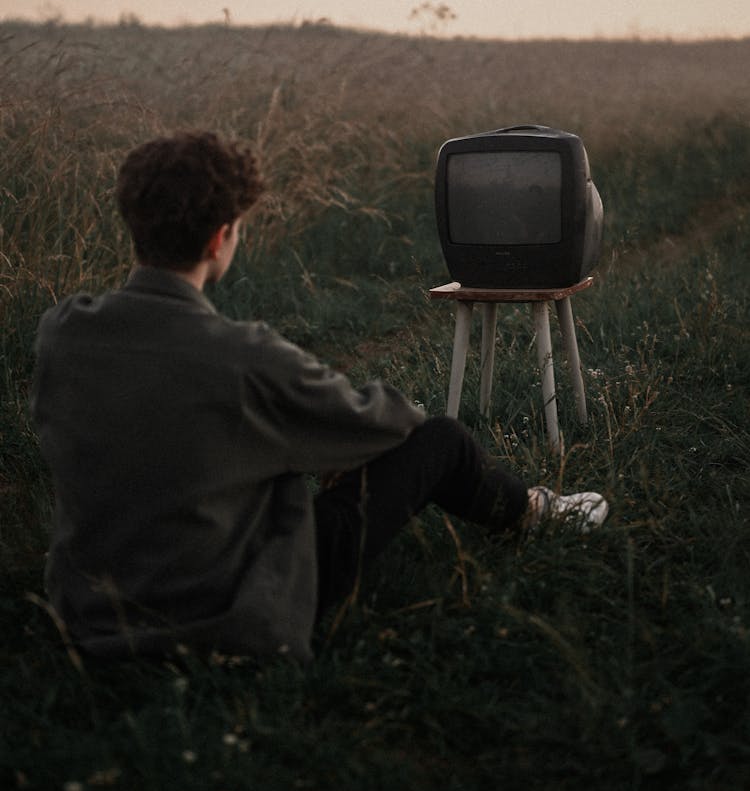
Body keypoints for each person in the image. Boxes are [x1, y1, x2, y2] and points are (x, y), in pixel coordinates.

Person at [31, 131, 608, 663]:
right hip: (227, 614)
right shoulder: (242, 355)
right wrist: (342, 452)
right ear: (219, 238)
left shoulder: (61, 332)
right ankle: (534, 511)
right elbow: (389, 424)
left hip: (89, 615)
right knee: (442, 441)